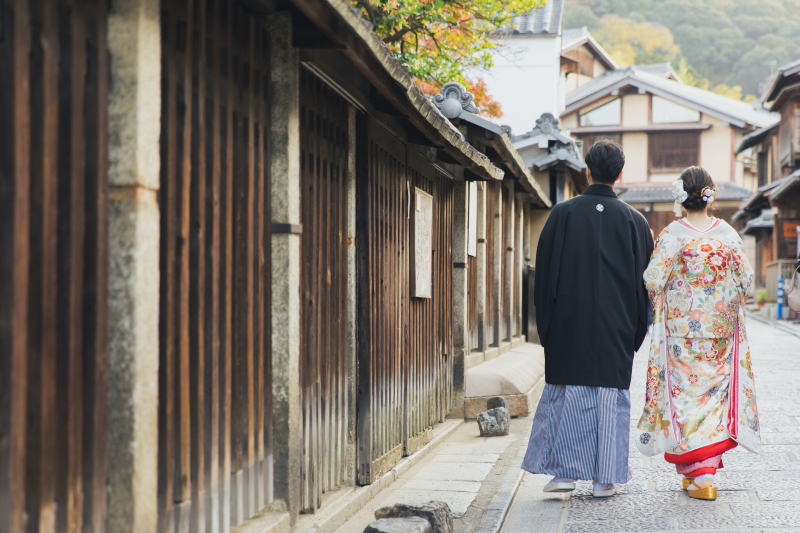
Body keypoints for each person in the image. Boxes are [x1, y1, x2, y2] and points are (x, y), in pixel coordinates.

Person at [523, 140, 654, 498]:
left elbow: (544, 277)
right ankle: (604, 478)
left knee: (569, 397)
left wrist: (548, 328)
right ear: (620, 174)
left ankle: (564, 474)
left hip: (568, 325)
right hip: (617, 328)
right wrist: (634, 333)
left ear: (587, 170)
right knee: (609, 402)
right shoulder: (636, 222)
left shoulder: (562, 214)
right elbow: (646, 288)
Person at [635, 167, 760, 501]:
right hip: (719, 332)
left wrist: (674, 298)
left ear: (681, 197)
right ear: (710, 194)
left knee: (686, 400)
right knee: (714, 399)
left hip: (680, 334)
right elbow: (746, 280)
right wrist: (722, 300)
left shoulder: (673, 233)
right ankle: (698, 471)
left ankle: (702, 472)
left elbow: (652, 279)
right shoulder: (728, 234)